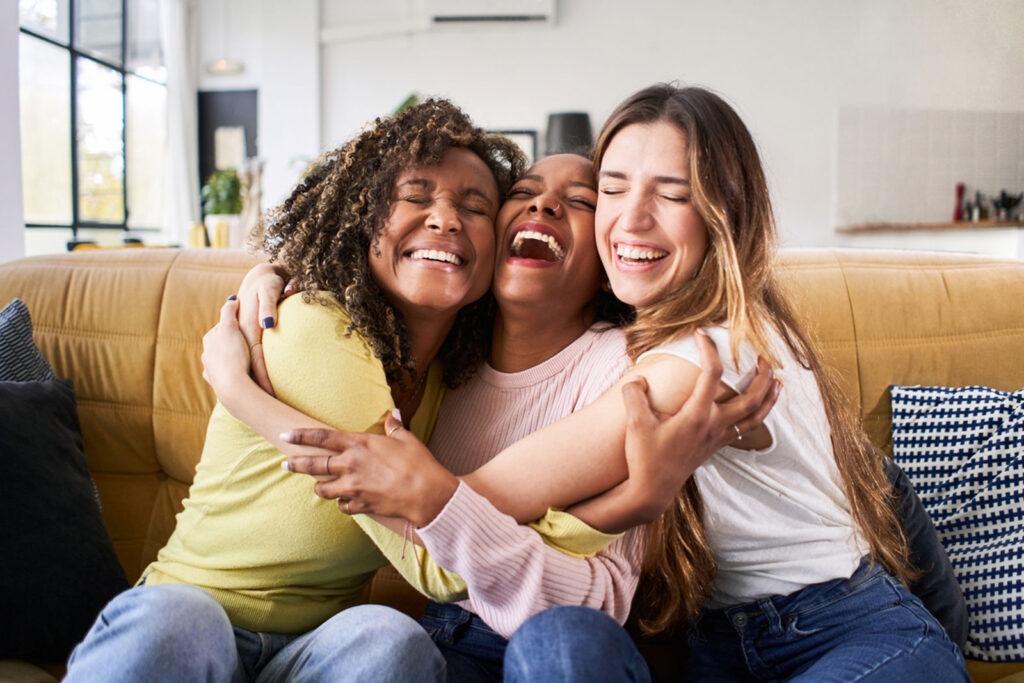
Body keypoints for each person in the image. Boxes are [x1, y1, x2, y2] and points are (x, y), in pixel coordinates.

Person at [282, 85, 970, 681]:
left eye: (670, 194)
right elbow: (875, 476)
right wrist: (276, 275)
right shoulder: (461, 341)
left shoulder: (701, 355)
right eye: (613, 188)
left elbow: (481, 496)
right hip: (718, 652)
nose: (630, 216)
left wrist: (416, 491)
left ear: (722, 214)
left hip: (842, 624)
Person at [219, 152, 778, 682]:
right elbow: (379, 257)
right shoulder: (442, 357)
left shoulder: (631, 370)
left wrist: (243, 394)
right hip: (440, 645)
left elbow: (598, 599)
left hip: (558, 643)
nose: (543, 206)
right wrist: (271, 270)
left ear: (611, 263)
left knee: (560, 641)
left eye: (580, 201)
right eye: (523, 193)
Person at [64, 98, 523, 683]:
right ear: (363, 218)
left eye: (475, 206)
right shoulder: (311, 322)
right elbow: (436, 567)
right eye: (415, 195)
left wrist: (239, 387)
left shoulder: (456, 375)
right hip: (193, 628)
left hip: (308, 653)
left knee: (390, 640)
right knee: (180, 621)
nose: (446, 218)